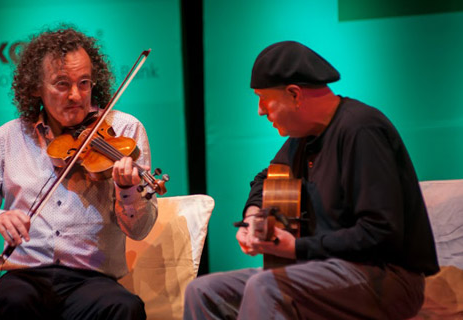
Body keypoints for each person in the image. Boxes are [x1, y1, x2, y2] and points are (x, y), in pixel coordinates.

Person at [183, 41, 439, 319]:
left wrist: (296, 247)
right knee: (203, 290)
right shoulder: (302, 139)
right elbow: (265, 180)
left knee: (265, 286)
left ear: (294, 94)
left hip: (386, 278)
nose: (260, 110)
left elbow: (381, 233)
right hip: (319, 269)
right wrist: (253, 216)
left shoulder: (361, 130)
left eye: (263, 98)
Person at [0, 26, 157, 320]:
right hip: (27, 276)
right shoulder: (9, 138)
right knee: (13, 301)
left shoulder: (124, 131)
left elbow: (140, 228)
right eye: (62, 84)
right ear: (35, 87)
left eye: (84, 83)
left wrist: (128, 191)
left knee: (124, 308)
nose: (76, 96)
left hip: (92, 280)